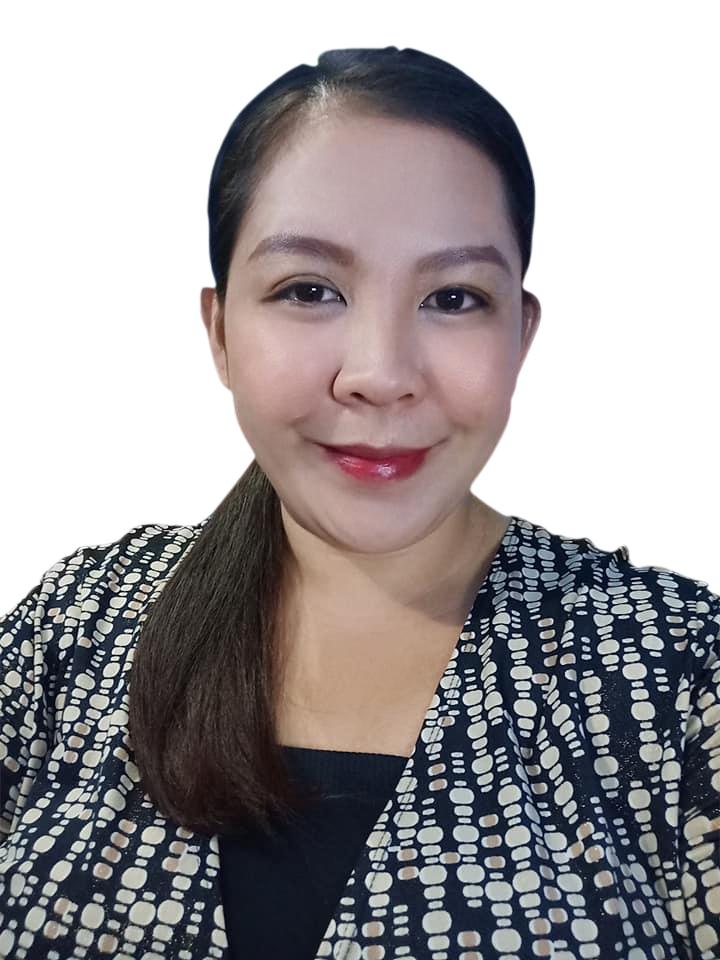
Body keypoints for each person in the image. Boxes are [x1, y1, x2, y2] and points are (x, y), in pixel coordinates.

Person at [0, 45, 718, 960]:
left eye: (453, 298)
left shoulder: (677, 672)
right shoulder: (78, 626)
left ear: (521, 335)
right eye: (309, 290)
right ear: (221, 333)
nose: (380, 374)